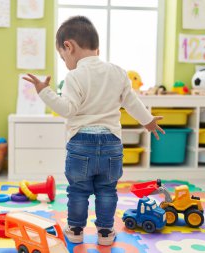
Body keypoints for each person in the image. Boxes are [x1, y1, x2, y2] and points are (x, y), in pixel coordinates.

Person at [23, 16, 164, 246]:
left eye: (62, 56)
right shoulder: (118, 72)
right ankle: (106, 233)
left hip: (81, 144)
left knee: (78, 190)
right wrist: (147, 121)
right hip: (111, 144)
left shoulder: (75, 76)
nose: (65, 62)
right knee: (107, 190)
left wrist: (44, 91)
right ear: (96, 48)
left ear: (69, 46)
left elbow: (67, 110)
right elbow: (132, 102)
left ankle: (76, 230)